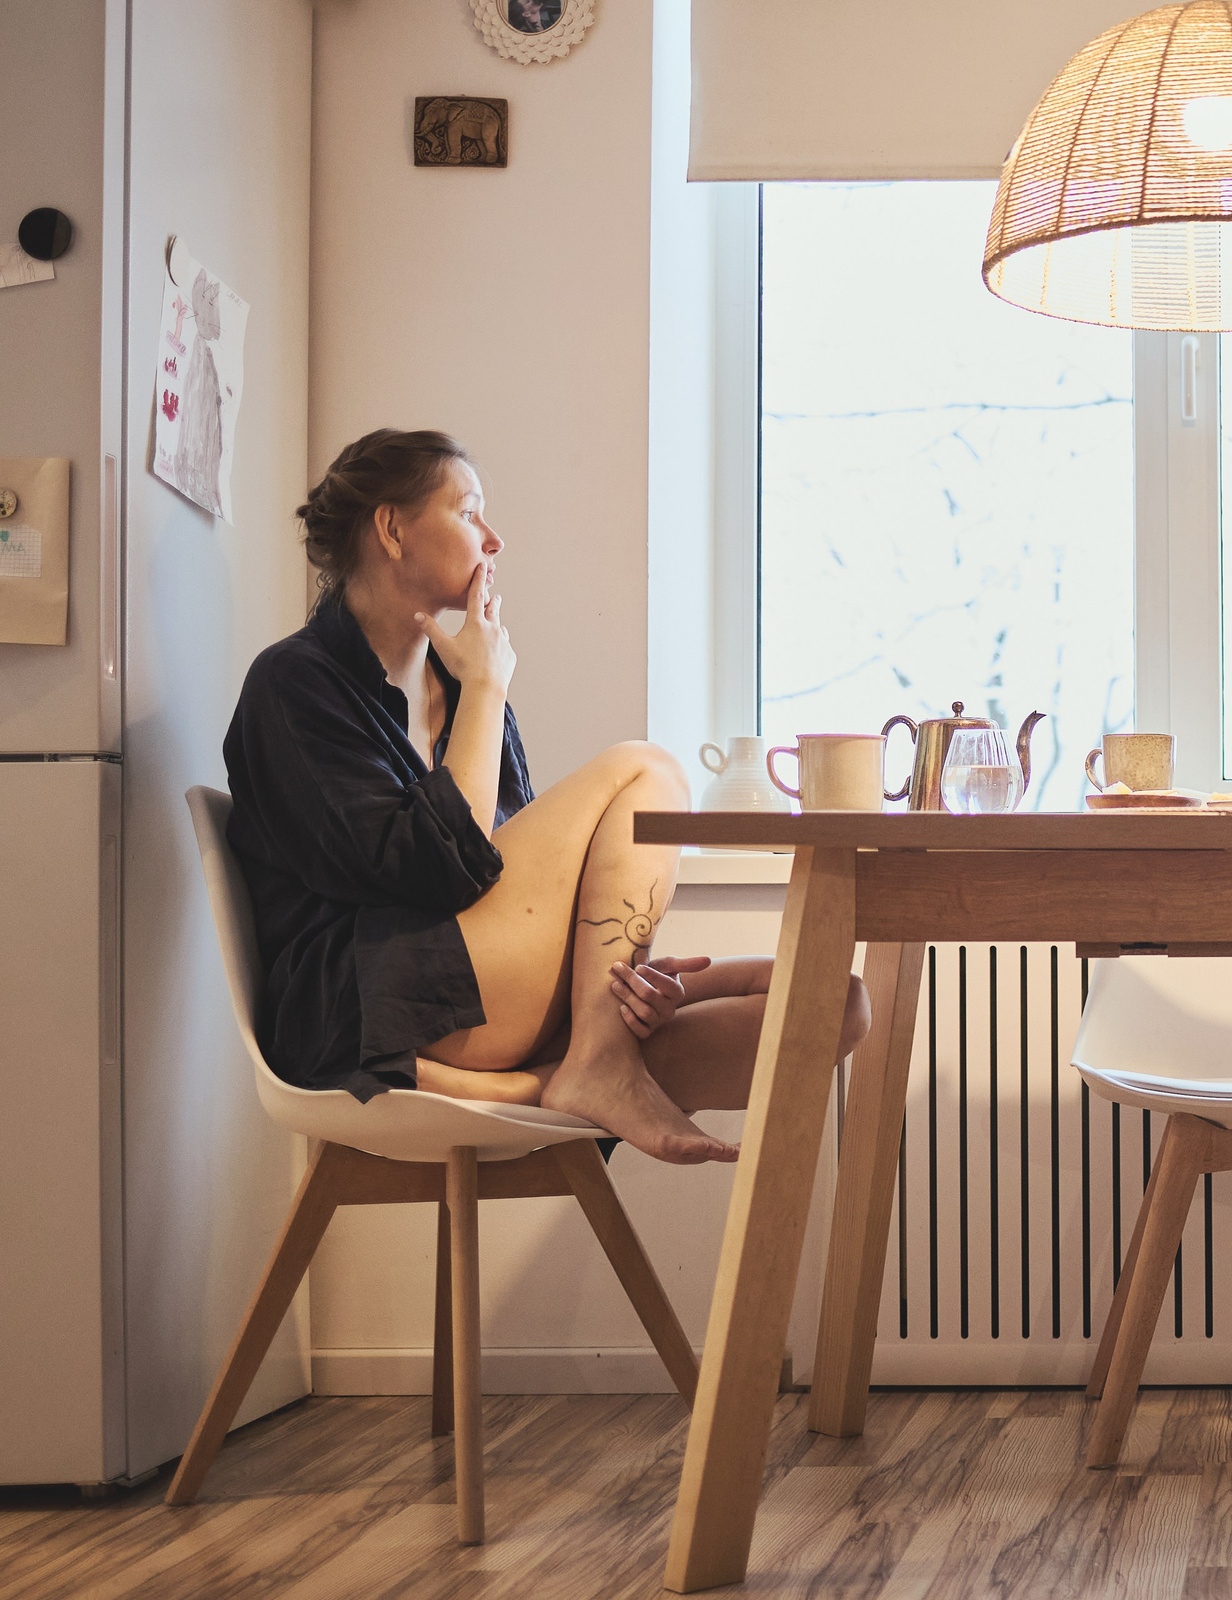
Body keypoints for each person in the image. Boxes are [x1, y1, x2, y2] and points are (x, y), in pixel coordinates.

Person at [223, 429, 870, 1164]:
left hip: (486, 996)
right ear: (391, 528)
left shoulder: (453, 681)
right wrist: (488, 687)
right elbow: (441, 877)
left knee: (832, 1001)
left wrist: (623, 972)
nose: (493, 540)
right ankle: (590, 1065)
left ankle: (583, 1061)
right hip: (376, 1009)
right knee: (646, 768)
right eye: (469, 512)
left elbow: (511, 874)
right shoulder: (294, 685)